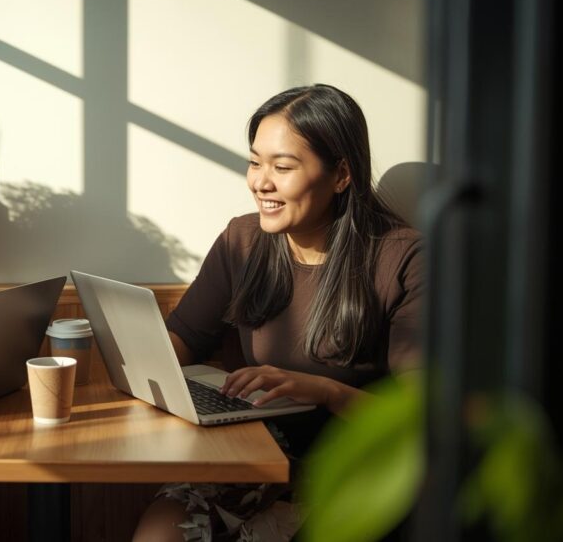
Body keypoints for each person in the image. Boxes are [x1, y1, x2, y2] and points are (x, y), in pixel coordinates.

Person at [132, 84, 423, 541]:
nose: (260, 183)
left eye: (282, 167)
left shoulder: (403, 257)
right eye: (254, 162)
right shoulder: (242, 240)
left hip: (354, 473)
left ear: (341, 174)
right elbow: (183, 337)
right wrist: (131, 349)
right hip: (257, 455)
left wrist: (325, 391)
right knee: (160, 532)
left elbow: (419, 419)